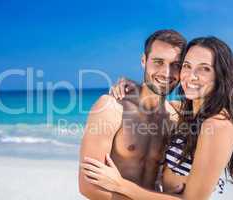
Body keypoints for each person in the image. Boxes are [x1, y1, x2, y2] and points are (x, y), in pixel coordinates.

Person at [81, 36, 233, 200]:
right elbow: (88, 186)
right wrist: (133, 86)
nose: (191, 76)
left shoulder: (217, 124)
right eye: (186, 66)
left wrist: (121, 185)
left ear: (220, 75)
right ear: (144, 61)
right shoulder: (181, 114)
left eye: (204, 68)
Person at [79, 29, 187, 200]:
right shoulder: (111, 108)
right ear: (143, 61)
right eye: (158, 62)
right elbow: (88, 186)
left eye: (176, 65)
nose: (166, 73)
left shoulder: (177, 119)